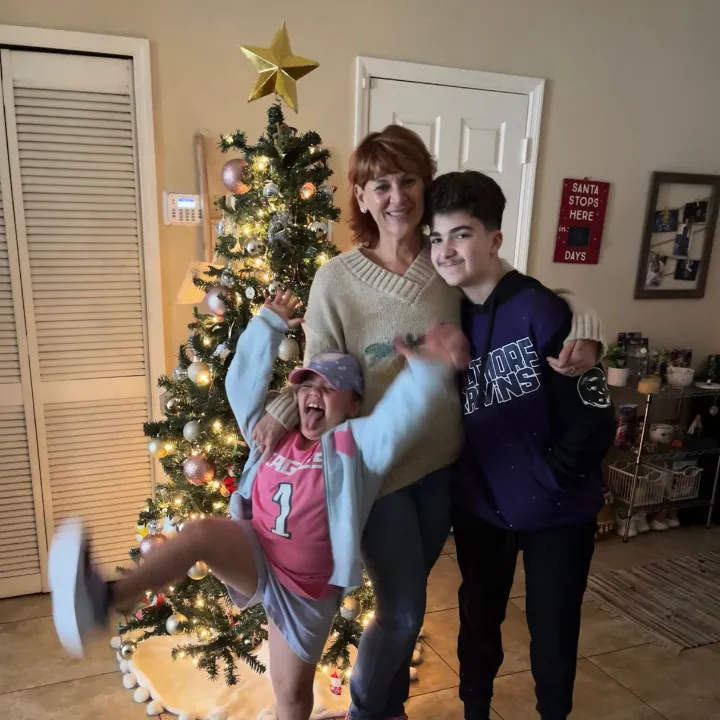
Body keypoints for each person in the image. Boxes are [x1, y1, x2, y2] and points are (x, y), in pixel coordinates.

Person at [252, 126, 605, 720]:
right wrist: (283, 409)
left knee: (412, 606)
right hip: (379, 473)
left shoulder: (445, 266)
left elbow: (515, 291)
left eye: (408, 180)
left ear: (425, 185)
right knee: (404, 611)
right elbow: (319, 365)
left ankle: (390, 708)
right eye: (380, 185)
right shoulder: (336, 279)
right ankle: (372, 711)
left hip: (444, 470)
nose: (397, 197)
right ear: (361, 197)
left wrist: (585, 323)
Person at [48, 290, 468, 720]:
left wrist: (430, 368)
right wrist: (267, 324)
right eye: (308, 386)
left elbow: (398, 420)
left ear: (353, 403)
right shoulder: (273, 433)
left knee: (291, 697)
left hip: (303, 591)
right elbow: (241, 385)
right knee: (200, 534)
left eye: (329, 388)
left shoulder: (353, 446)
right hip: (257, 551)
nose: (315, 394)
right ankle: (105, 598)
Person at [426, 170, 616, 720]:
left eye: (461, 234)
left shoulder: (543, 310)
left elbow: (595, 419)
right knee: (477, 622)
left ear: (494, 240)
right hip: (480, 507)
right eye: (436, 238)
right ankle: (475, 711)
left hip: (558, 511)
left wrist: (553, 477)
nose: (446, 250)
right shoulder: (447, 314)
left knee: (553, 631)